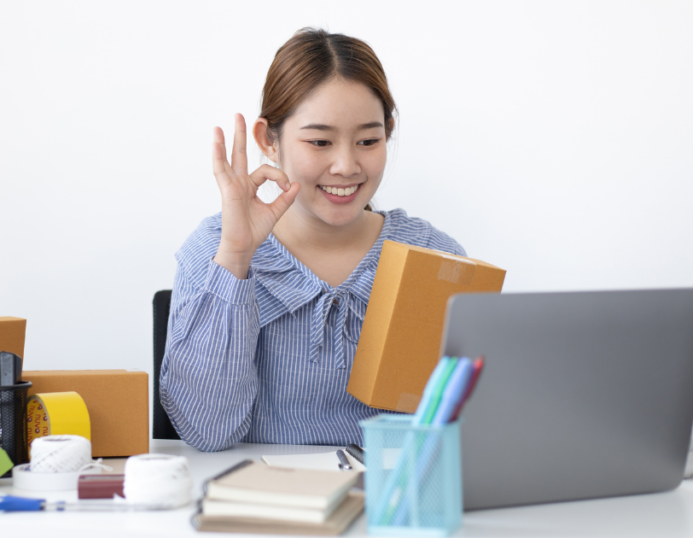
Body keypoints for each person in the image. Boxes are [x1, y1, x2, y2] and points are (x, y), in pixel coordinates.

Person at [160, 28, 466, 452]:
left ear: (388, 132)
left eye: (369, 140)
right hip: (263, 502)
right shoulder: (213, 247)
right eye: (320, 141)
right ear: (269, 140)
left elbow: (457, 431)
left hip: (390, 503)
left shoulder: (435, 257)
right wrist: (235, 257)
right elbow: (207, 432)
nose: (346, 165)